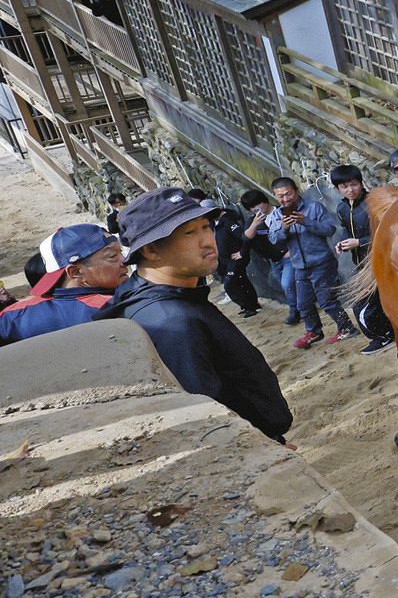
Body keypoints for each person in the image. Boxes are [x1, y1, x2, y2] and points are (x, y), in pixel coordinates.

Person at [95, 188, 293, 443]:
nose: (207, 240)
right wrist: (260, 451)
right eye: (189, 232)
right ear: (151, 251)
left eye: (205, 227)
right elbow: (203, 414)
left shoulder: (161, 294)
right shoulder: (171, 321)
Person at [265, 176, 356, 349]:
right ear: (275, 196)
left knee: (326, 300)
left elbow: (329, 229)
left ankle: (347, 328)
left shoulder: (313, 207)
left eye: (288, 194)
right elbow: (274, 240)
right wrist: (284, 228)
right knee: (303, 303)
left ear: (296, 191)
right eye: (280, 196)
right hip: (299, 264)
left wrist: (305, 221)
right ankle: (313, 331)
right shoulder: (277, 215)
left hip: (322, 261)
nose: (285, 199)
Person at [0, 224, 129, 345]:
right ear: (76, 272)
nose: (125, 261)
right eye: (113, 256)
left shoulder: (11, 317)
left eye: (121, 253)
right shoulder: (117, 308)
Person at [330, 165, 394, 355]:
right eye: (345, 187)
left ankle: (383, 337)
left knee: (362, 307)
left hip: (382, 260)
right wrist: (342, 243)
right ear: (337, 189)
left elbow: (389, 234)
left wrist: (360, 241)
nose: (350, 190)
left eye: (354, 185)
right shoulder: (342, 208)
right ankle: (389, 333)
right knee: (375, 302)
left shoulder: (372, 204)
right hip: (362, 264)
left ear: (361, 183)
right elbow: (345, 230)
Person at [240, 189, 298, 324]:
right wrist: (254, 225)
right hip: (273, 259)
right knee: (286, 286)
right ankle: (302, 306)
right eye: (251, 207)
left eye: (257, 204)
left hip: (289, 256)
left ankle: (295, 311)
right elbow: (245, 238)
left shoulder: (281, 211)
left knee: (287, 284)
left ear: (264, 201)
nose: (255, 209)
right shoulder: (253, 220)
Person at [206, 199, 261, 318]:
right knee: (242, 281)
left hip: (235, 259)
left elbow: (244, 236)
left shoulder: (228, 222)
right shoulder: (216, 223)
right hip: (226, 259)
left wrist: (242, 252)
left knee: (230, 284)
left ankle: (249, 305)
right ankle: (250, 305)